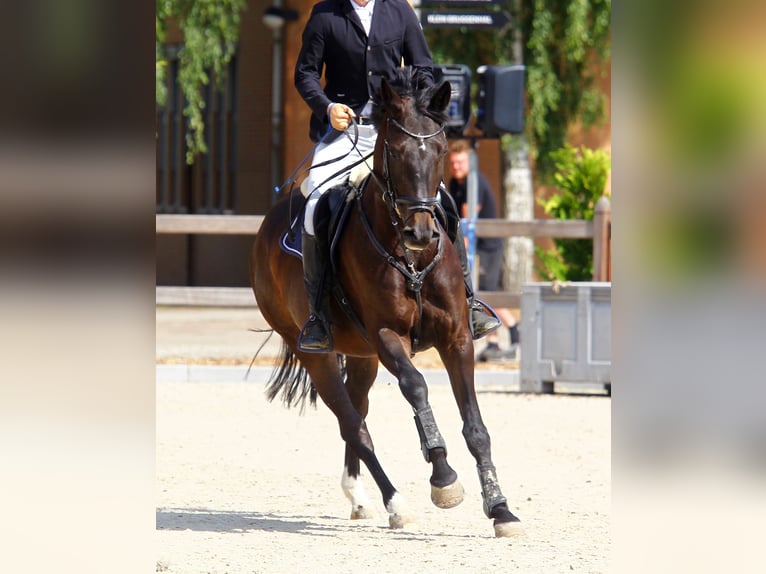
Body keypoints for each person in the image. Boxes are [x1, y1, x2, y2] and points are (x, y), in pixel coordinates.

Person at [293, 0, 500, 352]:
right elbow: (305, 73)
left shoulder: (399, 11)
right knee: (315, 201)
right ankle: (318, 315)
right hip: (347, 130)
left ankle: (470, 301)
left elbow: (424, 67)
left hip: (395, 129)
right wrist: (327, 107)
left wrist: (410, 101)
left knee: (442, 201)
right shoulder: (326, 14)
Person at [447, 140, 520, 362]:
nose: (456, 167)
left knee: (487, 292)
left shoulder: (474, 182)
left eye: (460, 162)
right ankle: (493, 343)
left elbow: (468, 222)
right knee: (482, 293)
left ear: (469, 162)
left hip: (488, 245)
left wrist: (459, 257)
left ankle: (517, 333)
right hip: (474, 245)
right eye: (453, 163)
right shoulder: (455, 183)